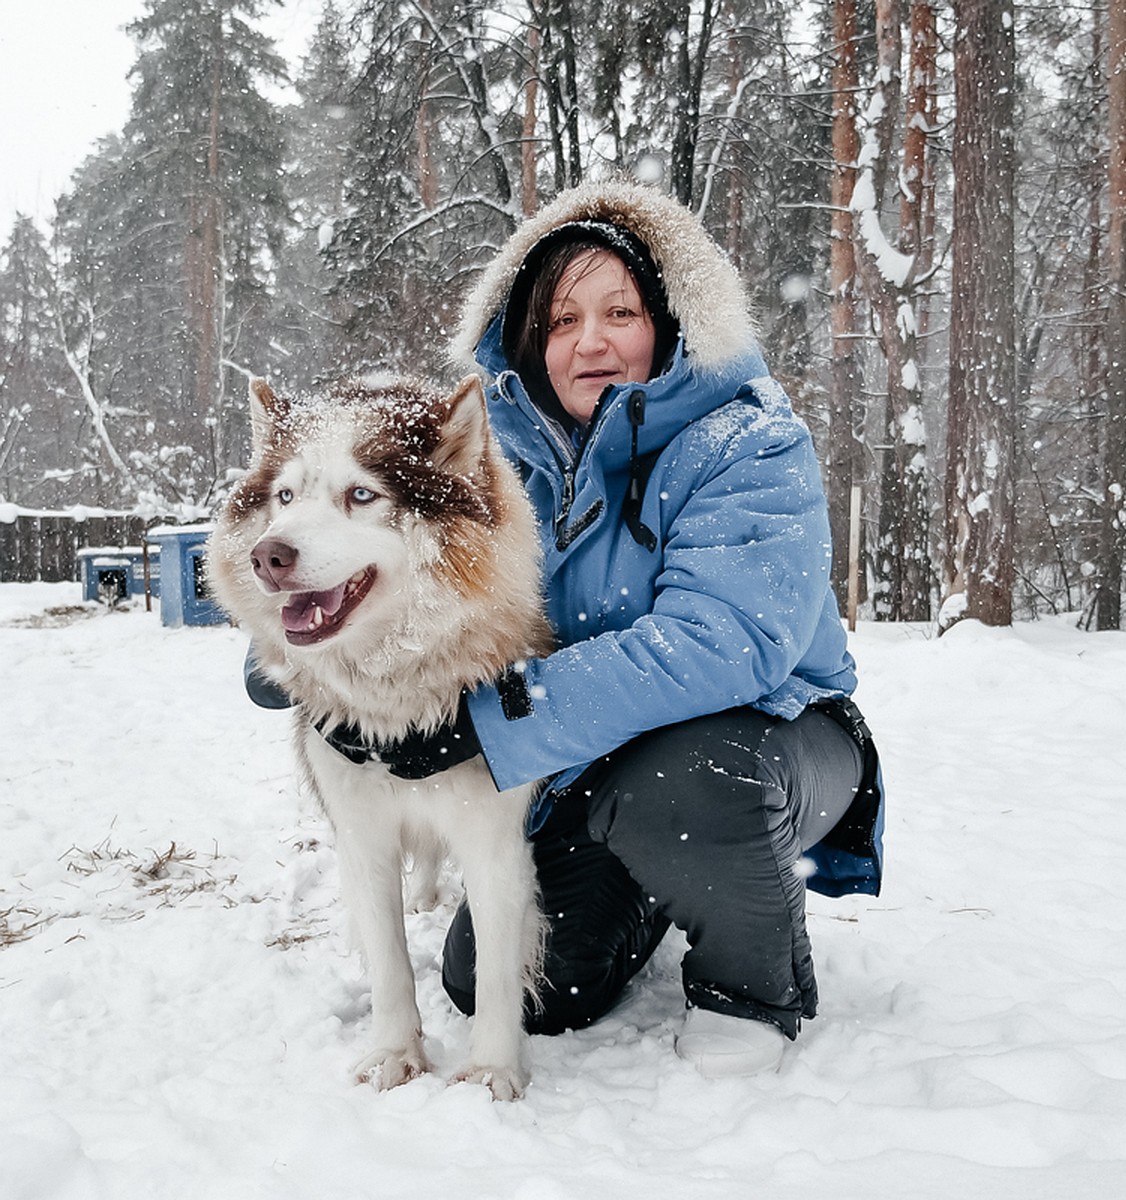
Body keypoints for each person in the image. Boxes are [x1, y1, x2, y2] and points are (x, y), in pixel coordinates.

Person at [251, 181, 884, 1078]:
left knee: (690, 783)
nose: (589, 341)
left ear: (671, 318)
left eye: (618, 311)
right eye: (560, 320)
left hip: (772, 738)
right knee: (508, 985)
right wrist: (311, 656)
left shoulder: (745, 441)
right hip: (586, 761)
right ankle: (660, 888)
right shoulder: (500, 451)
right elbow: (408, 576)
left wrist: (494, 722)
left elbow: (728, 642)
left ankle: (751, 991)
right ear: (529, 339)